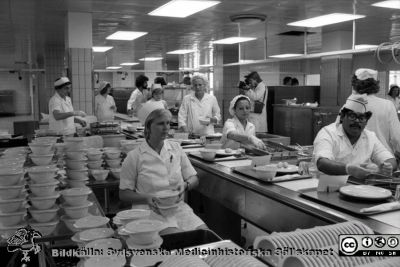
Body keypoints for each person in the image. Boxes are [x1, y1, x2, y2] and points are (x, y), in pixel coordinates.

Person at [119, 108, 206, 232]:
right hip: (149, 210)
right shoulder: (134, 156)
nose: (166, 127)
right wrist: (146, 197)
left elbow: (194, 179)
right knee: (176, 237)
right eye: (160, 124)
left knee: (204, 233)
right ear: (148, 127)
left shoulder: (176, 148)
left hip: (178, 209)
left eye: (168, 123)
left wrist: (186, 185)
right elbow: (123, 194)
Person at [314, 94, 396, 179]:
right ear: (342, 117)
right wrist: (349, 169)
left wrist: (387, 167)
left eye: (361, 118)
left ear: (366, 122)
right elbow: (322, 163)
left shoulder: (370, 136)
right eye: (352, 116)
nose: (357, 121)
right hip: (329, 188)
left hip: (360, 189)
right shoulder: (328, 133)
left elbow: (390, 160)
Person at [348, 68, 400, 155]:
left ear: (354, 85)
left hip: (355, 159)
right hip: (383, 157)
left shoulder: (349, 105)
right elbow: (397, 137)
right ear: (375, 85)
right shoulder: (387, 105)